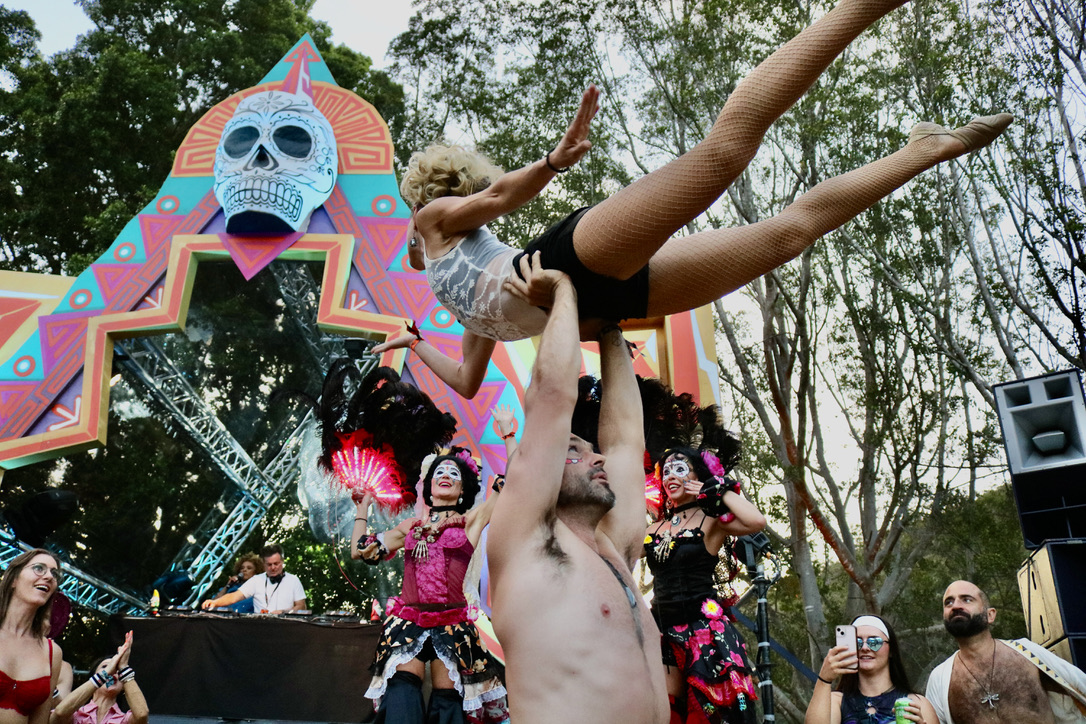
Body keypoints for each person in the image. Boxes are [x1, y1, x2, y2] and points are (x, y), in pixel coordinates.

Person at [371, 0, 1012, 400]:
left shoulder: (434, 222)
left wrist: (550, 162)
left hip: (563, 261)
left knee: (722, 156)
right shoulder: (465, 311)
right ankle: (920, 152)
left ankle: (864, 6)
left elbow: (506, 195)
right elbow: (466, 381)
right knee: (789, 236)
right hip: (594, 308)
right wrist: (411, 344)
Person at [486, 263, 668, 723]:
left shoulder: (615, 547)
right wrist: (564, 290)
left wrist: (609, 326)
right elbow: (550, 394)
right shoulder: (525, 540)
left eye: (593, 451)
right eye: (575, 450)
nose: (598, 458)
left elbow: (627, 440)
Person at [354, 439, 511, 723]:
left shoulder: (471, 521)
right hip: (408, 624)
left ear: (463, 489)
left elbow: (511, 482)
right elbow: (361, 550)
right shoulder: (410, 529)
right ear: (429, 487)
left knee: (448, 706)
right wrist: (362, 509)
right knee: (402, 697)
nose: (446, 476)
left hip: (452, 626)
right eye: (439, 473)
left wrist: (508, 435)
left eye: (454, 474)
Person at [644, 441, 767, 723]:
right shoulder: (653, 529)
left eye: (680, 469)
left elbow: (756, 521)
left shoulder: (712, 522)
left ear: (698, 477)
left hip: (705, 635)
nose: (670, 477)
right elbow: (615, 547)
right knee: (668, 711)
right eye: (665, 472)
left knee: (710, 713)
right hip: (661, 633)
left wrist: (716, 489)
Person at [925, 580, 1086, 724]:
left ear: (990, 615)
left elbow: (1080, 686)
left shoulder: (1027, 652)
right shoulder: (940, 679)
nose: (956, 606)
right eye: (949, 602)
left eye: (967, 599)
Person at [806, 614, 936, 724]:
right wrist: (824, 679)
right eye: (857, 642)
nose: (865, 648)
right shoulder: (836, 702)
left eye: (875, 642)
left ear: (891, 650)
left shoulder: (917, 704)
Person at [0, 548, 64, 724]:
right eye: (39, 568)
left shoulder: (52, 653)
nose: (49, 576)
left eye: (54, 573)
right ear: (14, 579)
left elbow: (40, 721)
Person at [51, 632, 148, 724]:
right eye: (105, 667)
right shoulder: (75, 715)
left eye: (117, 671)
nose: (112, 672)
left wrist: (123, 667)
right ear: (93, 677)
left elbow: (142, 715)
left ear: (123, 686)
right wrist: (105, 674)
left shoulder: (125, 720)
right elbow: (59, 713)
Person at [200, 544, 306, 614]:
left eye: (276, 564)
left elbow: (301, 606)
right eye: (269, 564)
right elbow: (235, 596)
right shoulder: (256, 580)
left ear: (282, 562)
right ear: (264, 565)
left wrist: (281, 612)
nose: (273, 568)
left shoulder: (293, 580)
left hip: (286, 629)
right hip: (259, 629)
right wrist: (215, 603)